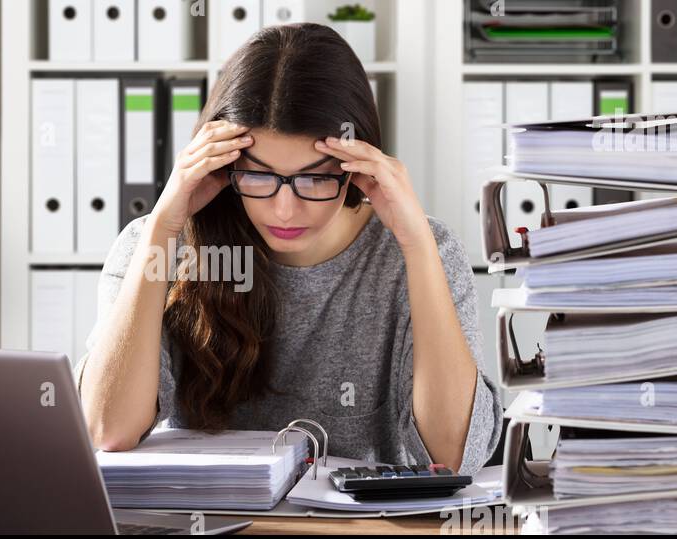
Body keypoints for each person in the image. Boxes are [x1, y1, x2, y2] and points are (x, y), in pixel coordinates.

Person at [75, 23, 502, 475]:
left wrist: (417, 245)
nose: (284, 210)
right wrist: (162, 227)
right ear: (222, 167)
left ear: (357, 167)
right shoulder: (158, 245)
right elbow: (107, 430)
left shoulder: (420, 251)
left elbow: (455, 456)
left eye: (315, 178)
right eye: (258, 176)